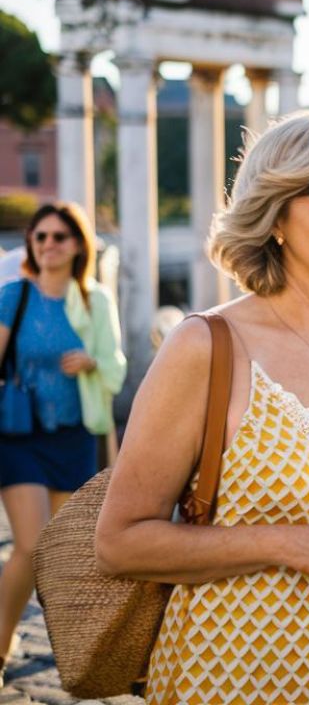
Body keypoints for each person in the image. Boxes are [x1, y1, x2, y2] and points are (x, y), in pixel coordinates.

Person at [95, 111, 309, 704]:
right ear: (276, 215)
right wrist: (287, 543)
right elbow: (120, 542)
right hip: (228, 676)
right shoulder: (206, 346)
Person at [0, 202, 125, 685]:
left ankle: (82, 649)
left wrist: (91, 362)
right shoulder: (14, 296)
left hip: (74, 436)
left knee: (67, 551)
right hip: (19, 437)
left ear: (78, 245)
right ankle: (2, 647)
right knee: (29, 544)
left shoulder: (95, 300)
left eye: (59, 236)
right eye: (41, 237)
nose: (48, 244)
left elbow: (116, 367)